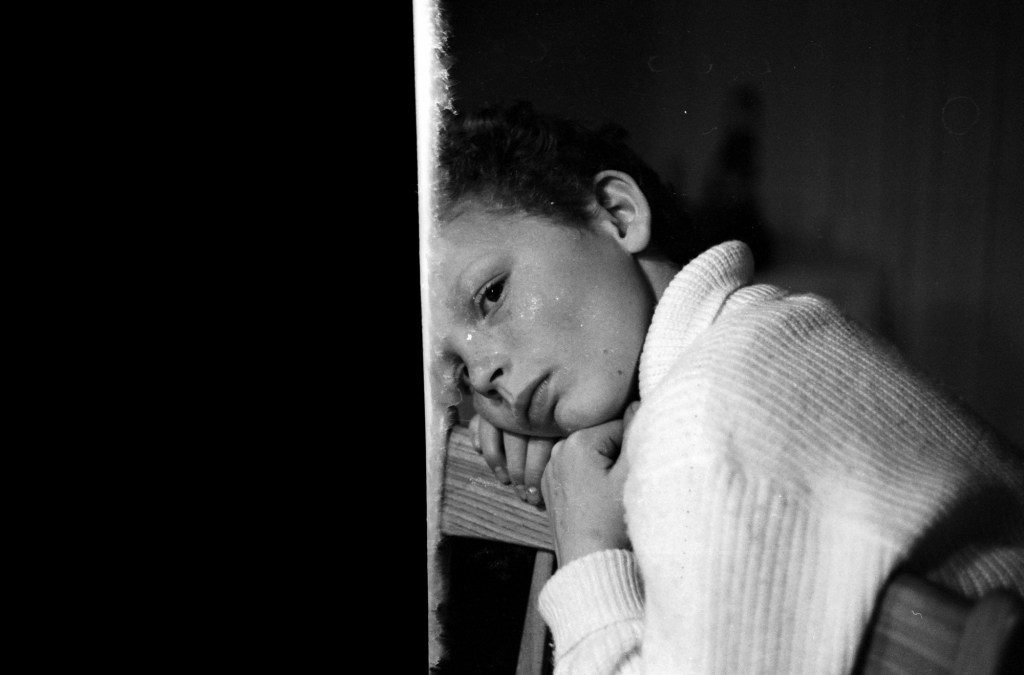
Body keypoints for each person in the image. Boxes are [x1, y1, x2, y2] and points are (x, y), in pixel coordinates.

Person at [428, 101, 1024, 674]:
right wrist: (572, 438)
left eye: (491, 295)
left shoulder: (704, 422)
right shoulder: (769, 334)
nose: (481, 375)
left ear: (618, 213)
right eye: (455, 369)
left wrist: (588, 554)